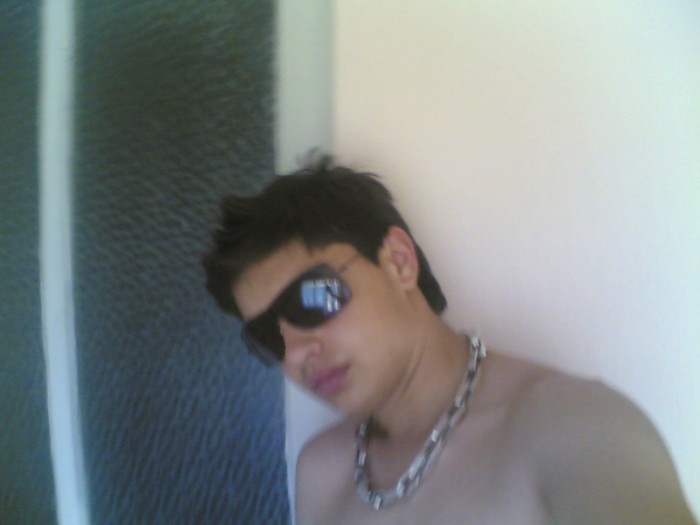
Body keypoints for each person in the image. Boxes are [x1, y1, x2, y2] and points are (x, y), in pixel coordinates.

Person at [203, 157, 696, 525]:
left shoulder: (575, 428)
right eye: (267, 336)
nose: (295, 354)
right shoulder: (321, 471)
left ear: (398, 262)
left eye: (311, 300)